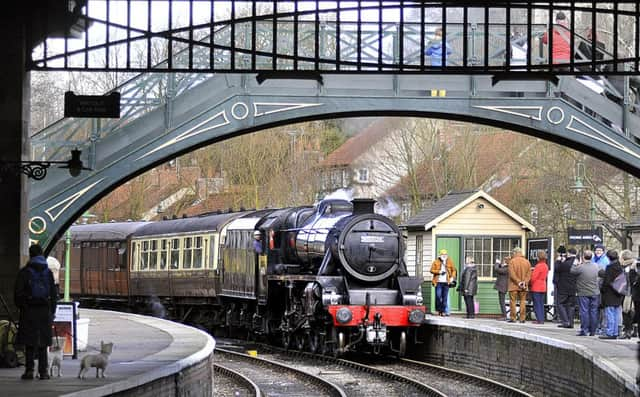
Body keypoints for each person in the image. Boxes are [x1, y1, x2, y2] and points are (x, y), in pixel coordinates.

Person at [14, 244, 58, 380]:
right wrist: (52, 311)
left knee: (30, 342)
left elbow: (17, 294)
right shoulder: (48, 272)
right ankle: (43, 372)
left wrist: (23, 307)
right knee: (43, 343)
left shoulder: (24, 272)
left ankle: (29, 371)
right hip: (44, 310)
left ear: (30, 255)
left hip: (29, 310)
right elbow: (54, 294)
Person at [570, 250, 600, 336]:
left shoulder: (580, 267)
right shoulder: (596, 266)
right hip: (595, 292)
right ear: (592, 257)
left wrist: (575, 262)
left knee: (584, 311)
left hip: (583, 292)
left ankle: (584, 330)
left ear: (583, 257)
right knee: (594, 311)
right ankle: (593, 331)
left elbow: (572, 271)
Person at [600, 250, 624, 339]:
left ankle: (610, 332)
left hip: (609, 294)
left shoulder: (610, 267)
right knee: (616, 314)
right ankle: (615, 332)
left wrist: (602, 290)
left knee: (609, 314)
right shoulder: (620, 267)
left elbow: (606, 282)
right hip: (618, 293)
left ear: (608, 257)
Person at [554, 247, 578, 329]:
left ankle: (565, 321)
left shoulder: (566, 263)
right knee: (571, 305)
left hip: (563, 287)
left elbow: (557, 269)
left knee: (560, 304)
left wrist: (558, 261)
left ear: (569, 253)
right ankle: (570, 322)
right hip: (573, 287)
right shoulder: (577, 262)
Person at [507, 247, 531, 323]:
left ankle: (513, 318)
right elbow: (529, 274)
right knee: (523, 301)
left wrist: (518, 282)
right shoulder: (527, 262)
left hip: (513, 285)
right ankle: (522, 318)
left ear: (514, 253)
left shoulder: (512, 261)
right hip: (523, 286)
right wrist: (524, 282)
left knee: (513, 301)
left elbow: (512, 274)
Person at [430, 249, 457, 317]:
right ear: (440, 255)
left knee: (445, 298)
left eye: (445, 255)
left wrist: (452, 277)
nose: (444, 256)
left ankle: (443, 311)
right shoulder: (436, 261)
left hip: (446, 282)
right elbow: (431, 270)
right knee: (438, 296)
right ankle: (439, 310)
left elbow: (454, 270)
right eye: (443, 254)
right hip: (438, 282)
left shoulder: (449, 261)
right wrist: (439, 272)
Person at [593, 244, 610, 334]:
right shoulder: (593, 259)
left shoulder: (605, 260)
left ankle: (602, 327)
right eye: (596, 250)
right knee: (596, 307)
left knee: (601, 307)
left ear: (603, 251)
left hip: (601, 286)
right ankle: (596, 326)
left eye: (600, 250)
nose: (598, 251)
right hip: (594, 285)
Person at [530, 250, 549, 324]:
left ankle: (539, 319)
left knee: (536, 304)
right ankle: (541, 319)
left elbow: (533, 278)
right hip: (543, 286)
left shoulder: (538, 266)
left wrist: (530, 283)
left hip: (536, 286)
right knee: (541, 304)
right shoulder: (546, 266)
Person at [620, 250, 636, 339]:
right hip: (634, 292)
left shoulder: (624, 267)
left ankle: (627, 331)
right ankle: (635, 331)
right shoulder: (635, 264)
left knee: (626, 312)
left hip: (627, 292)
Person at [552, 246, 568, 322]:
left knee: (559, 301)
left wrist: (558, 262)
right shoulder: (567, 260)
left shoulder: (560, 260)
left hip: (559, 282)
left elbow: (557, 269)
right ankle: (560, 316)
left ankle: (559, 317)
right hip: (564, 283)